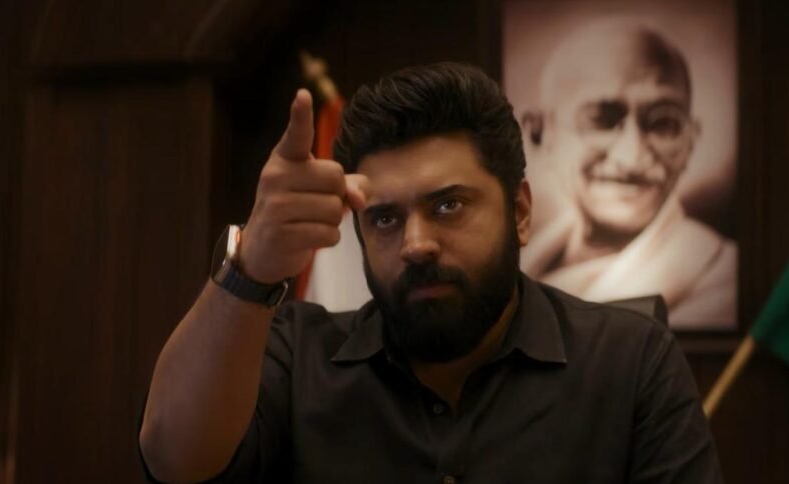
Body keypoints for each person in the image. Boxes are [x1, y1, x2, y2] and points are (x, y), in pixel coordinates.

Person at [138, 62, 723, 483]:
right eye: (385, 218)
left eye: (448, 205)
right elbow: (172, 461)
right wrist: (252, 268)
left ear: (520, 213)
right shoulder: (300, 357)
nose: (416, 245)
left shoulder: (630, 363)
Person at [519, 19, 737, 329]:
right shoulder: (516, 265)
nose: (632, 156)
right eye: (602, 119)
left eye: (663, 123)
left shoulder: (718, 277)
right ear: (539, 134)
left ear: (690, 141)